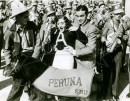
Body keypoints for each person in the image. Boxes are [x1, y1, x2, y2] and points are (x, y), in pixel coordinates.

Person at [3, 1, 45, 101]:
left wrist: (34, 58)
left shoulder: (33, 26)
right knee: (17, 86)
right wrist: (9, 64)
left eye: (28, 16)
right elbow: (7, 49)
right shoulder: (10, 31)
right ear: (17, 17)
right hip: (19, 60)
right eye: (25, 17)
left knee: (35, 87)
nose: (28, 19)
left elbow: (38, 43)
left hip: (32, 57)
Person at [66, 5, 100, 101]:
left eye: (82, 16)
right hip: (76, 64)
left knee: (87, 94)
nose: (79, 18)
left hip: (86, 64)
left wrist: (74, 52)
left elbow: (91, 48)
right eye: (77, 16)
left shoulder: (91, 28)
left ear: (87, 15)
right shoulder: (76, 25)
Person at [101, 3, 124, 100]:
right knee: (106, 72)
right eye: (117, 14)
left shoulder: (121, 24)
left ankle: (115, 93)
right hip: (108, 50)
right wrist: (106, 41)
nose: (119, 16)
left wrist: (121, 39)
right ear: (113, 14)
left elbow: (124, 36)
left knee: (117, 72)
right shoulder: (107, 23)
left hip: (118, 50)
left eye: (120, 14)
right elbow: (102, 36)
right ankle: (104, 93)